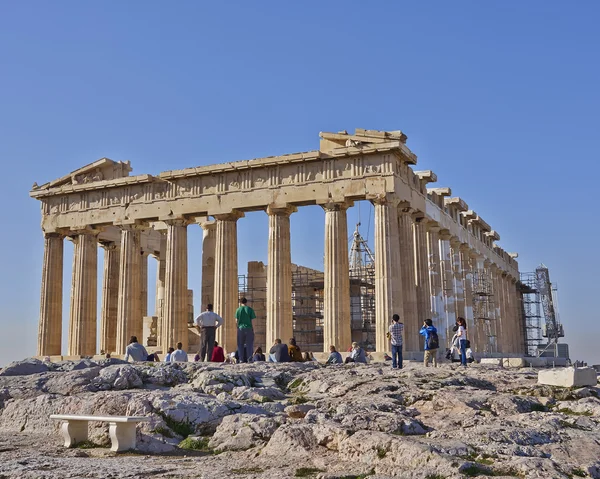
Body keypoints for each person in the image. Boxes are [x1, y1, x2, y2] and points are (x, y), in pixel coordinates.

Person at [235, 297, 256, 363]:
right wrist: (253, 329)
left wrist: (237, 328)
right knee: (249, 344)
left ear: (240, 303)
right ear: (246, 302)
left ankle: (241, 359)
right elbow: (253, 320)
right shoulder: (250, 309)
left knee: (240, 344)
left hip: (240, 328)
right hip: (249, 328)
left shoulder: (238, 310)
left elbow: (236, 320)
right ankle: (249, 358)